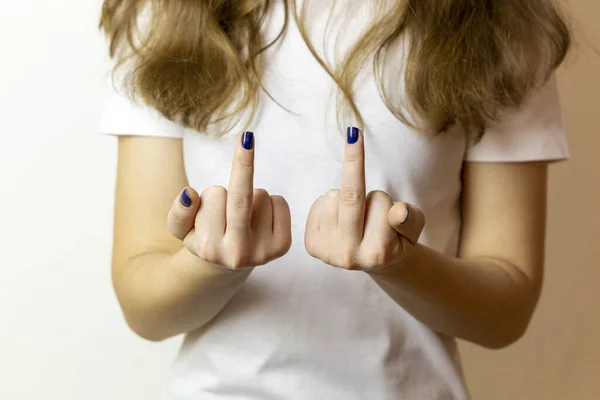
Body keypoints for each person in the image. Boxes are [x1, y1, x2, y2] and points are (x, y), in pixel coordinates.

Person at [98, 0, 571, 398]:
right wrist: (210, 265)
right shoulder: (167, 11)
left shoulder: (500, 20)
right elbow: (143, 308)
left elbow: (505, 314)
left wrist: (401, 265)